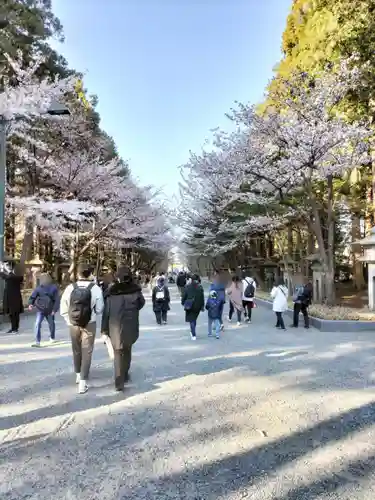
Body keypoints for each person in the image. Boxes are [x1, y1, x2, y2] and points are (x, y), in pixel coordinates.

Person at [60, 264, 104, 394]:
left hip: (73, 323)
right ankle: (83, 382)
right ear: (90, 274)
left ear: (77, 274)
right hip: (89, 323)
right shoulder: (95, 288)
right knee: (87, 351)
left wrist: (69, 321)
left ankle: (78, 375)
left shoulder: (70, 288)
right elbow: (100, 309)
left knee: (76, 349)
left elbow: (63, 309)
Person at [101, 266, 145, 391]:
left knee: (118, 352)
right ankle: (125, 375)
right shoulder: (135, 291)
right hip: (130, 324)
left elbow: (106, 312)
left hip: (115, 326)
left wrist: (104, 329)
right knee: (127, 349)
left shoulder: (111, 293)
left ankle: (119, 381)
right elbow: (141, 303)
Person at [28, 273, 60, 347]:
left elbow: (57, 300)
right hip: (40, 309)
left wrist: (54, 310)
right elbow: (33, 297)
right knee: (37, 324)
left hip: (50, 309)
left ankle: (52, 337)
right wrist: (30, 304)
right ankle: (37, 341)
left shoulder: (53, 288)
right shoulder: (39, 288)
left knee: (51, 324)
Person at [0, 261, 23, 334]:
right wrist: (2, 268)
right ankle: (13, 328)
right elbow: (4, 275)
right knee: (11, 313)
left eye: (8, 265)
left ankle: (15, 329)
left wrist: (3, 268)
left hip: (14, 297)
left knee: (14, 313)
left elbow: (7, 276)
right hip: (11, 297)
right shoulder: (12, 275)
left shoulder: (15, 276)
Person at [181, 274, 205, 340]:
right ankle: (192, 331)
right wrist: (202, 306)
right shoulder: (200, 287)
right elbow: (202, 298)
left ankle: (193, 334)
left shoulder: (187, 286)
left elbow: (184, 296)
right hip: (198, 306)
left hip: (189, 305)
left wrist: (183, 302)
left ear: (191, 279)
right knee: (194, 319)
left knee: (191, 320)